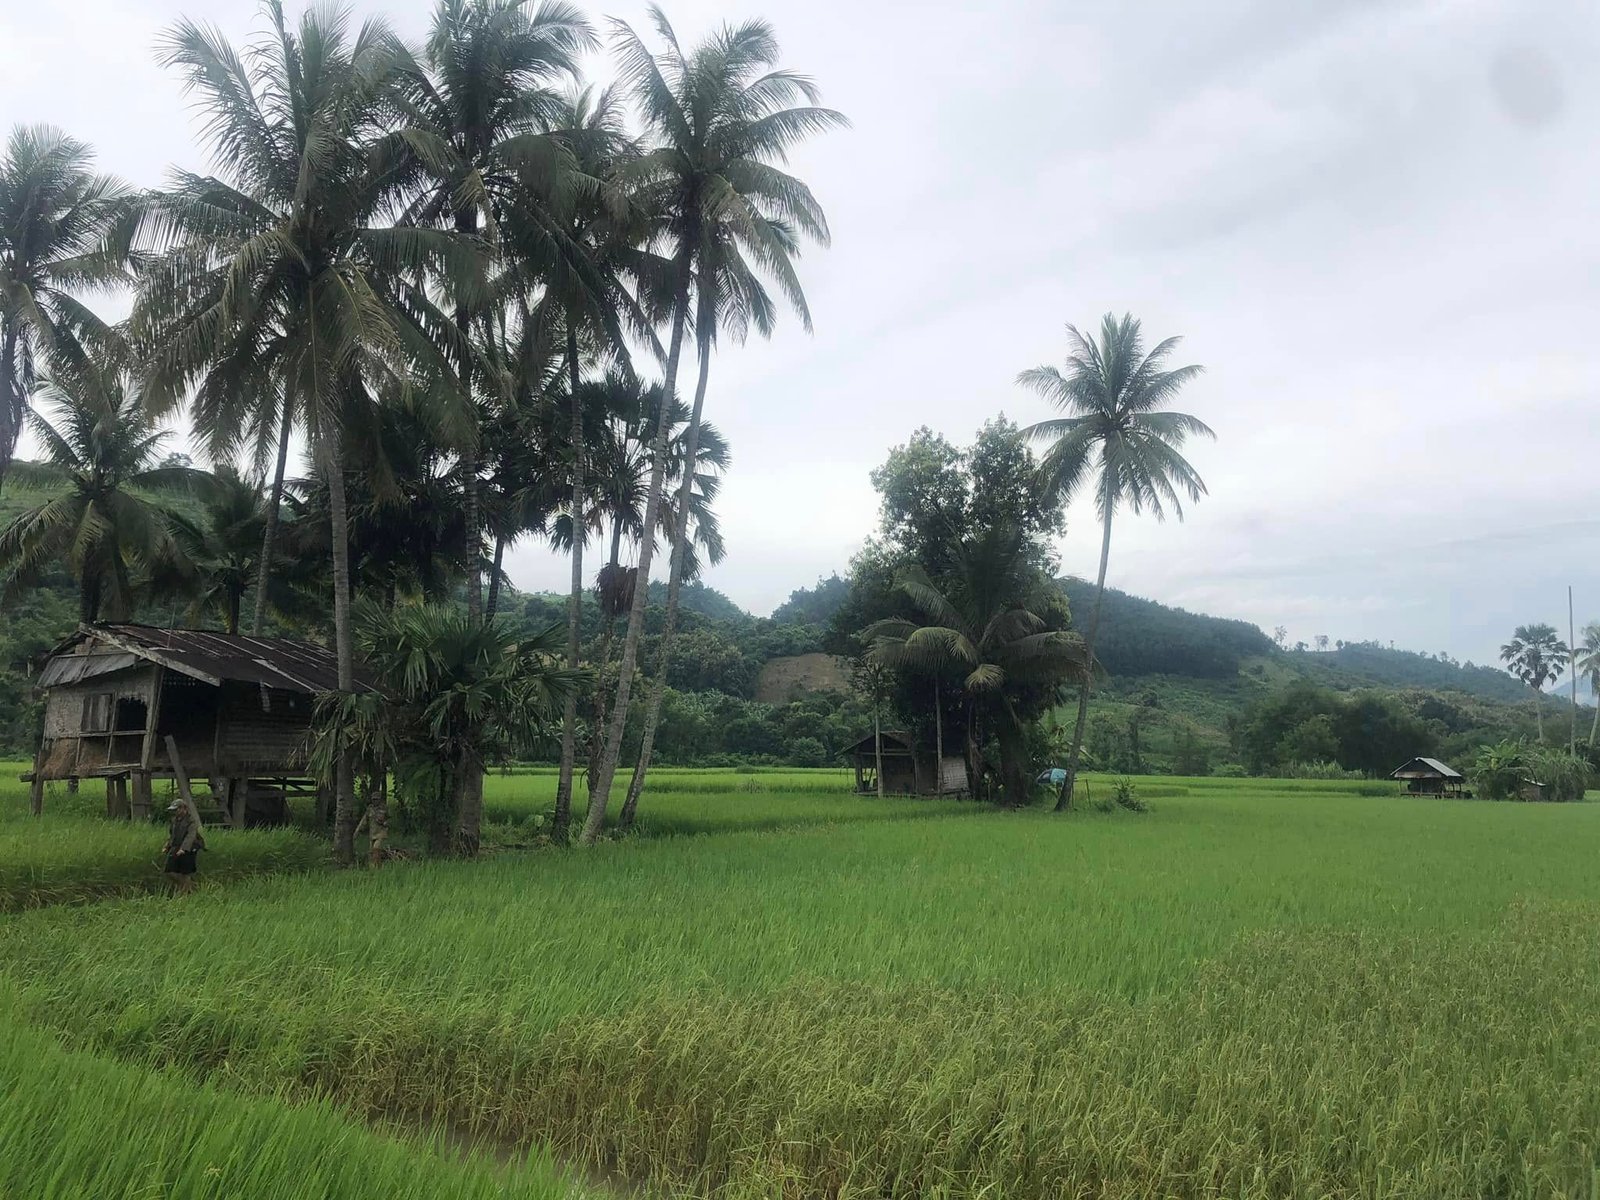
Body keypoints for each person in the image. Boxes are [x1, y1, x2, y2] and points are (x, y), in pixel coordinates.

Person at [161, 797, 203, 896]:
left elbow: (190, 836)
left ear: (184, 808)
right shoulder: (174, 820)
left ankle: (185, 893)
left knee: (185, 873)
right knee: (169, 871)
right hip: (176, 846)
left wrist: (183, 849)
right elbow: (172, 835)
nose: (175, 812)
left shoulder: (191, 821)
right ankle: (189, 887)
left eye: (177, 809)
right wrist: (167, 846)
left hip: (190, 848)